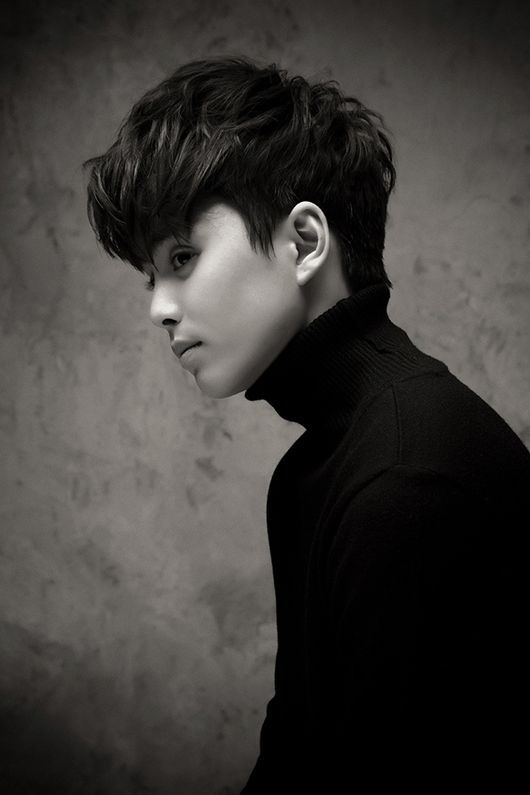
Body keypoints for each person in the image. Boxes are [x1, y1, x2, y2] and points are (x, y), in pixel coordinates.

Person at [83, 56, 529, 792]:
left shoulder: (407, 481)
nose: (159, 307)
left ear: (306, 242)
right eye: (151, 276)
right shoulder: (316, 469)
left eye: (183, 257)